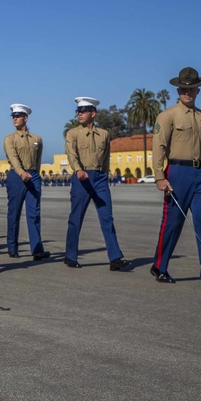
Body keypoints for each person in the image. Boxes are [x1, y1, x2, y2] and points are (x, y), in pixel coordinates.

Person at [152, 67, 201, 290]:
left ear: (198, 90)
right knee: (173, 223)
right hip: (177, 173)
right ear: (178, 89)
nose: (187, 92)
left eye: (191, 88)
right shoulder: (167, 116)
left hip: (200, 174)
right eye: (184, 89)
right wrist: (159, 176)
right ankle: (160, 266)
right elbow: (159, 147)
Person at [63, 97, 129, 271]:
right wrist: (78, 170)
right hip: (81, 178)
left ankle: (115, 258)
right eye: (78, 111)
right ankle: (70, 256)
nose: (79, 114)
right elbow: (71, 154)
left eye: (83, 111)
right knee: (76, 218)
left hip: (99, 178)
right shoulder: (72, 133)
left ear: (93, 113)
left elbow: (106, 157)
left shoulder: (104, 134)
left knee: (107, 217)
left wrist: (105, 175)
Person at [3, 104, 49, 260]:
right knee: (14, 213)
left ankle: (37, 249)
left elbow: (38, 159)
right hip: (17, 177)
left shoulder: (37, 139)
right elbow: (13, 158)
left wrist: (34, 173)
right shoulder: (10, 139)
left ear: (25, 118)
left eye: (18, 116)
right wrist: (22, 173)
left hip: (33, 175)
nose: (15, 118)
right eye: (13, 116)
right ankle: (12, 247)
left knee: (34, 213)